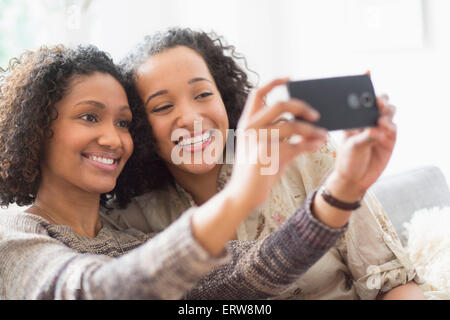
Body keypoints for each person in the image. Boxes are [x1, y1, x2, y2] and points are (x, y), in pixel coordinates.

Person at [0, 44, 371, 299]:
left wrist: (343, 187)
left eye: (125, 123)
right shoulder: (14, 238)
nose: (113, 139)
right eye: (89, 117)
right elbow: (95, 290)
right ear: (36, 130)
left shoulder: (124, 239)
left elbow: (247, 271)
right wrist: (239, 197)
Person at [112, 27, 425, 299]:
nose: (192, 118)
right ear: (138, 123)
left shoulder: (301, 153)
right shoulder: (134, 220)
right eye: (163, 106)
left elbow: (393, 282)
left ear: (225, 97)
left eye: (204, 94)